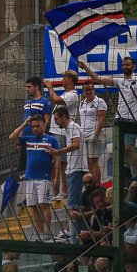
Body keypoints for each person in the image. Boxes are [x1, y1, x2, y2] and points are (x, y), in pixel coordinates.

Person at [80, 56, 137, 170]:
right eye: (123, 65)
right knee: (121, 150)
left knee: (129, 148)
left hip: (132, 119)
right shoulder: (119, 81)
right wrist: (85, 67)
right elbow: (98, 79)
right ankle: (126, 176)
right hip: (119, 119)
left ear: (134, 67)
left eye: (127, 64)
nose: (125, 67)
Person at [9, 114, 58, 241]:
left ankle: (47, 232)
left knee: (44, 204)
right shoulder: (28, 139)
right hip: (30, 177)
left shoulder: (51, 139)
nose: (35, 128)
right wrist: (24, 125)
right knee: (33, 205)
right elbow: (12, 137)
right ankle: (40, 233)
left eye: (37, 126)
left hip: (44, 177)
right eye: (33, 126)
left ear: (43, 125)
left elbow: (57, 158)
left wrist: (56, 177)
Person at [45, 71, 80, 200]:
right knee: (54, 161)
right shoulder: (66, 93)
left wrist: (50, 87)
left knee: (63, 161)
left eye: (64, 78)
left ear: (70, 80)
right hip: (55, 131)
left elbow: (56, 100)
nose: (62, 80)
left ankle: (64, 190)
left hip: (62, 132)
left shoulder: (72, 95)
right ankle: (55, 191)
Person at [50, 105, 86, 216]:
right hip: (72, 169)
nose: (55, 123)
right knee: (72, 203)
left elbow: (76, 145)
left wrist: (58, 151)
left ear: (64, 117)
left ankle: (72, 226)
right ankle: (70, 225)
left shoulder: (73, 127)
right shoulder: (68, 130)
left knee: (73, 205)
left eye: (56, 119)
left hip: (77, 169)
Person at [77, 80, 108, 180]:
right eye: (86, 90)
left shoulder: (100, 102)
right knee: (87, 162)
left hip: (93, 134)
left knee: (93, 161)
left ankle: (97, 184)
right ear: (83, 91)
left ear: (94, 90)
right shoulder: (82, 103)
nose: (88, 92)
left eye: (90, 89)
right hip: (83, 135)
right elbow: (80, 120)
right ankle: (90, 183)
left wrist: (96, 134)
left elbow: (102, 118)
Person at [20, 76, 52, 171]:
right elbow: (24, 121)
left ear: (37, 87)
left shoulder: (45, 102)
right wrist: (20, 137)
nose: (27, 89)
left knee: (36, 166)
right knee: (23, 167)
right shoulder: (27, 103)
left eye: (29, 87)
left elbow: (46, 122)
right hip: (25, 139)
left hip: (36, 140)